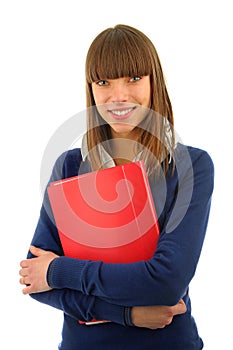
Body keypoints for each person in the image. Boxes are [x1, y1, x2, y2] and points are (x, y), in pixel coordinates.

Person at [19, 24, 214, 349]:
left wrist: (58, 271)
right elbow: (33, 276)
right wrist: (128, 314)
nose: (118, 95)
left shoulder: (191, 167)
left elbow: (166, 282)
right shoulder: (69, 167)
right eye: (103, 82)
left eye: (133, 78)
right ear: (91, 88)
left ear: (154, 81)